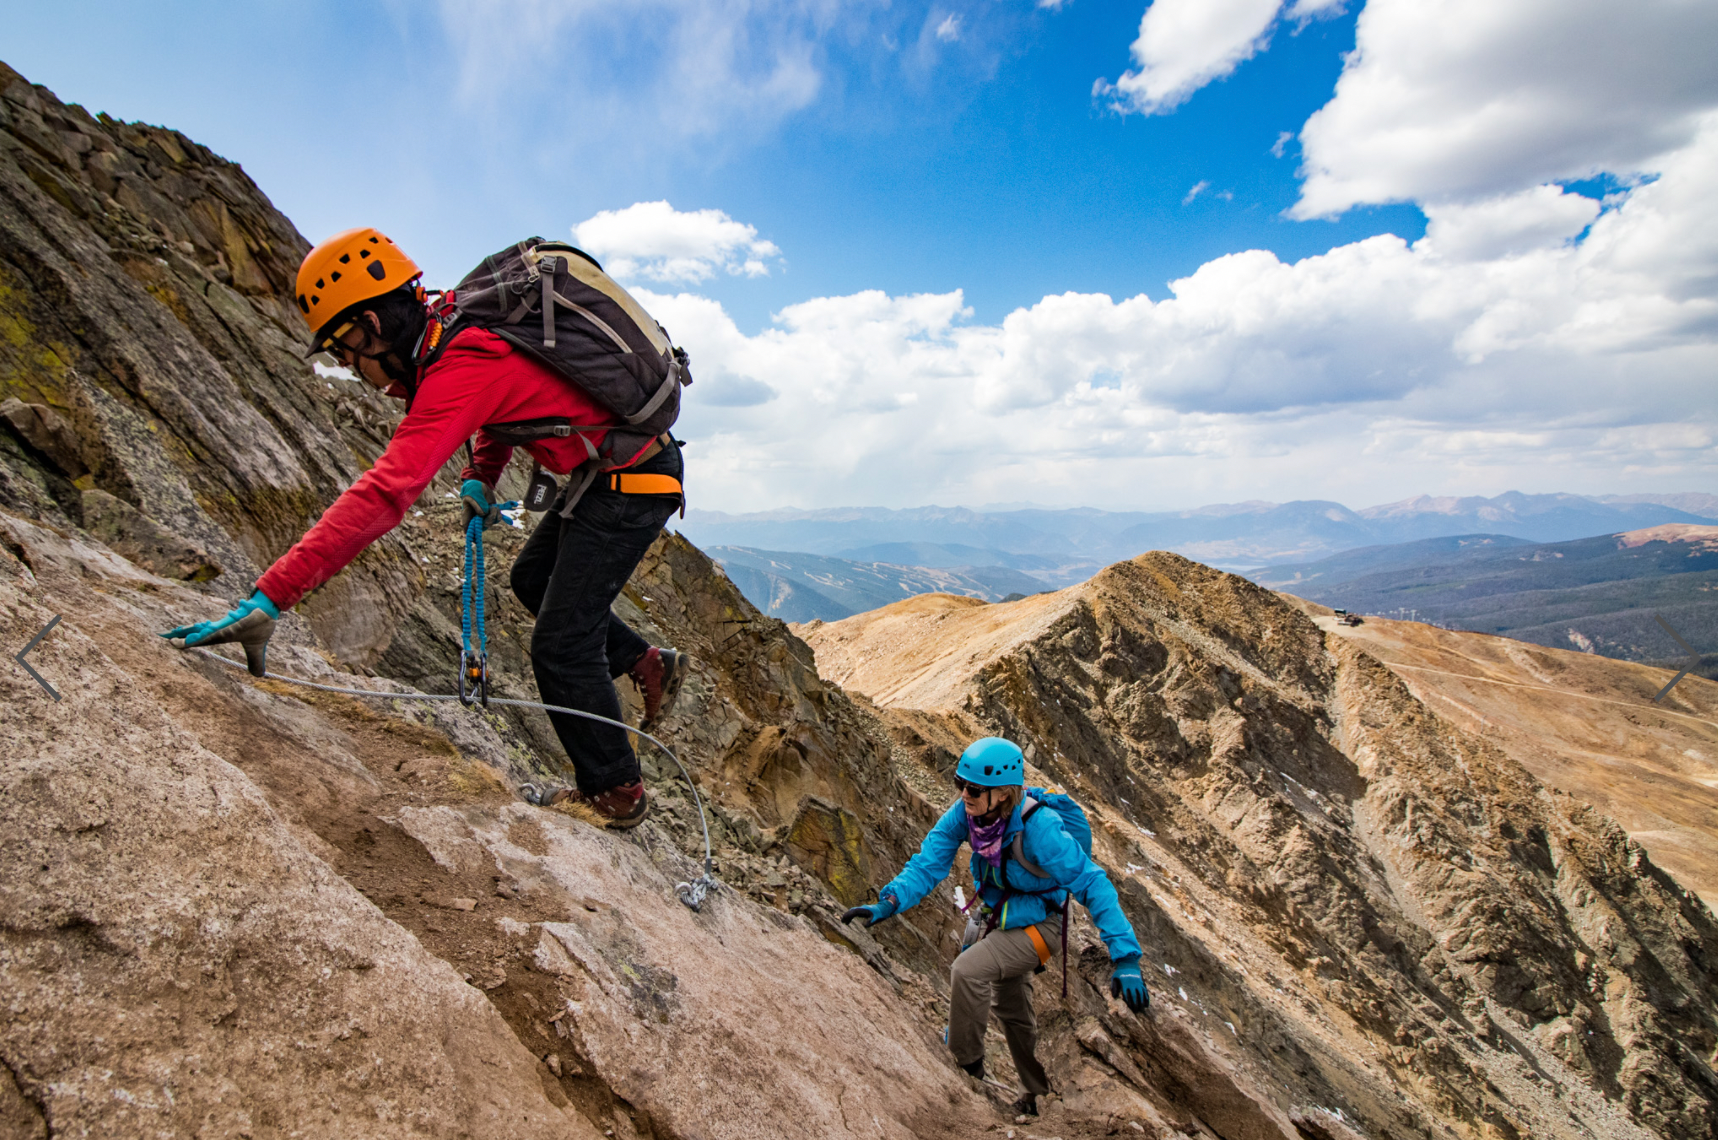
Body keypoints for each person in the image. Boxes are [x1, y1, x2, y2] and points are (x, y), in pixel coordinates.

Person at [163, 227, 688, 827]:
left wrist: (271, 596)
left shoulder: (462, 357)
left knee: (561, 646)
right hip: (611, 471)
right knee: (532, 577)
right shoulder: (452, 323)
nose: (350, 368)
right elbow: (506, 406)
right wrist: (481, 476)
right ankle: (648, 662)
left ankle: (616, 794)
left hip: (630, 486)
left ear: (370, 326)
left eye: (344, 351)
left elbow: (387, 491)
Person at [842, 737, 1149, 1117]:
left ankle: (965, 1066)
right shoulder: (966, 815)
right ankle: (1036, 1095)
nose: (963, 795)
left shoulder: (1041, 829)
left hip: (1042, 924)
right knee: (1013, 1010)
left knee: (967, 971)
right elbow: (928, 863)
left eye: (973, 789)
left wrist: (1127, 958)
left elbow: (1092, 883)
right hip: (999, 917)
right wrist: (887, 903)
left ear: (1004, 794)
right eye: (960, 784)